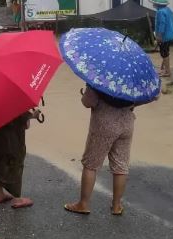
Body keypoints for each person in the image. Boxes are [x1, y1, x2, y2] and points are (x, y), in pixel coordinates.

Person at [65, 86, 152, 216]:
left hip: (103, 122)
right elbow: (151, 96)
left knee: (91, 164)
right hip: (127, 122)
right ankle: (116, 206)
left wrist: (84, 94)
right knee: (121, 164)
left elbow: (88, 102)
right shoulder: (132, 76)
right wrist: (132, 104)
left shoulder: (99, 74)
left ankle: (83, 204)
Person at [0, 108, 43, 209]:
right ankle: (17, 198)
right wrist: (33, 115)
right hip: (12, 143)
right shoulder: (14, 101)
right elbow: (24, 124)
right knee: (15, 167)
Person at [150, 0, 173, 77]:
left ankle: (167, 72)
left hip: (164, 36)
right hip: (170, 34)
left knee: (164, 53)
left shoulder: (160, 12)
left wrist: (159, 36)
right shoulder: (168, 10)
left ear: (158, 4)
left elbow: (162, 24)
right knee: (165, 52)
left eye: (154, 3)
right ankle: (165, 69)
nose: (153, 4)